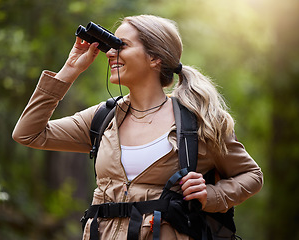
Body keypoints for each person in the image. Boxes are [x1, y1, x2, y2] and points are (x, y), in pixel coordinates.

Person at [13, 15, 263, 240]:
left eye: (121, 46)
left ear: (155, 58)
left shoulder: (200, 122)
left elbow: (252, 176)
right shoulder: (102, 118)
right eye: (110, 46)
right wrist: (69, 70)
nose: (110, 53)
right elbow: (28, 133)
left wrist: (211, 196)